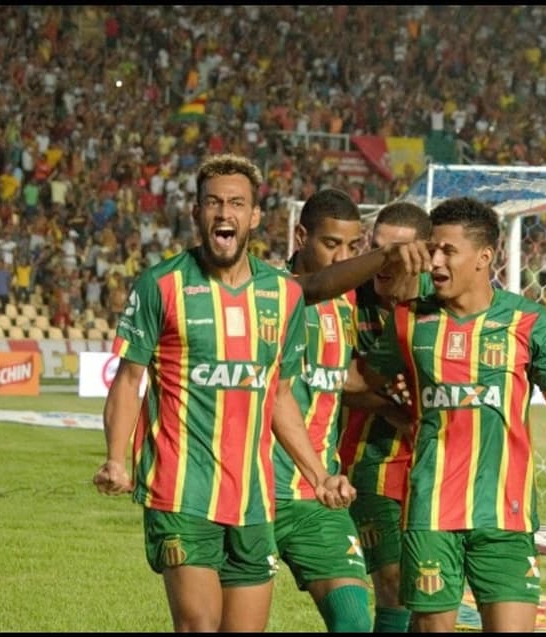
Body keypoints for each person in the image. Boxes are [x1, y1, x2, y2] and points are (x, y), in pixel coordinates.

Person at [92, 153, 357, 633]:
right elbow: (129, 379)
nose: (223, 213)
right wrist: (116, 458)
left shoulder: (284, 295)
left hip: (255, 500)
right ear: (196, 213)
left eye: (236, 203)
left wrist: (317, 474)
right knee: (199, 625)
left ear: (254, 216)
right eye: (212, 202)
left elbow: (279, 396)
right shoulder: (162, 284)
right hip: (179, 491)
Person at [356, 197, 546, 632]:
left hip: (506, 516)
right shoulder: (408, 320)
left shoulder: (529, 322)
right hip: (429, 513)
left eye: (448, 251)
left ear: (484, 258)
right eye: (432, 249)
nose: (435, 262)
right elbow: (358, 380)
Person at [273, 188, 372, 632]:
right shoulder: (270, 290)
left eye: (353, 248)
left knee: (353, 621)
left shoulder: (348, 304)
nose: (343, 257)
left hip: (318, 499)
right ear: (301, 236)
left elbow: (337, 376)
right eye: (331, 244)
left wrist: (392, 393)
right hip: (253, 493)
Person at [337, 201, 434, 633]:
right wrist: (392, 408)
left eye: (396, 251)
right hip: (371, 458)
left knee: (428, 586)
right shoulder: (347, 297)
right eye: (377, 249)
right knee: (391, 579)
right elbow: (342, 380)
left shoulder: (439, 298)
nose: (384, 260)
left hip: (434, 462)